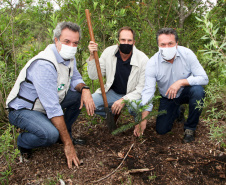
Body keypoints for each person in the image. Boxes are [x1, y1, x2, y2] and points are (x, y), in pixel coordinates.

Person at [6, 22, 95, 168]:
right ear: (56, 40)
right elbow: (53, 108)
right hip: (25, 109)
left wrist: (85, 89)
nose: (71, 46)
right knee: (50, 135)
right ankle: (23, 142)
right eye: (67, 41)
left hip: (47, 103)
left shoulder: (68, 57)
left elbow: (76, 78)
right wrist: (69, 145)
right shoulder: (45, 64)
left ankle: (64, 134)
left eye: (75, 43)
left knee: (79, 96)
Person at [134, 28, 209, 143]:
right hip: (168, 97)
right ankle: (178, 112)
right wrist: (143, 119)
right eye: (162, 44)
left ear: (177, 44)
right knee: (161, 130)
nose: (167, 47)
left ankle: (190, 128)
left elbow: (204, 78)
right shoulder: (153, 63)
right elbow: (148, 90)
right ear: (158, 46)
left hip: (186, 92)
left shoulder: (187, 54)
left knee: (198, 91)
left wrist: (180, 82)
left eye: (170, 43)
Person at [87, 26, 149, 121]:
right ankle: (111, 115)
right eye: (123, 40)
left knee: (136, 107)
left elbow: (141, 88)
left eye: (129, 41)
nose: (126, 43)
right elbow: (94, 75)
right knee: (90, 102)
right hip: (113, 92)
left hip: (133, 95)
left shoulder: (143, 60)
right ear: (118, 41)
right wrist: (92, 55)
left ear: (134, 43)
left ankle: (139, 124)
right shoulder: (109, 52)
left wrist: (123, 100)